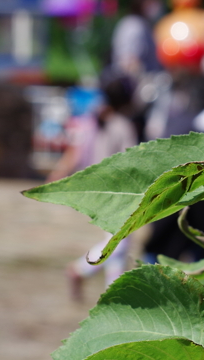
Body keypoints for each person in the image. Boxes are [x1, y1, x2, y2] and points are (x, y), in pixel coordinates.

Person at [48, 77, 139, 301]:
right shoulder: (122, 125)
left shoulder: (92, 120)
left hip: (99, 190)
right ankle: (86, 273)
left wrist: (58, 176)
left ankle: (110, 291)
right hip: (119, 192)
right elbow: (133, 161)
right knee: (118, 241)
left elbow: (76, 153)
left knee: (117, 240)